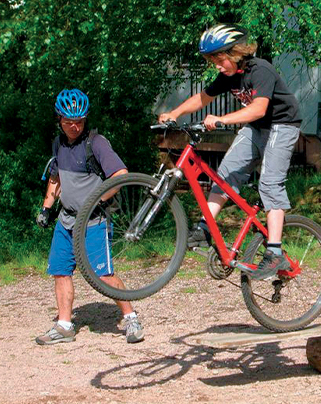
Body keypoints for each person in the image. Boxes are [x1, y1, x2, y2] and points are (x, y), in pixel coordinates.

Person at [158, 24, 302, 281]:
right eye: (212, 59)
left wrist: (223, 119)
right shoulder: (228, 75)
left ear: (236, 53)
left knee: (269, 183)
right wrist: (174, 113)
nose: (216, 65)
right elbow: (203, 98)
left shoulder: (261, 70)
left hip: (282, 125)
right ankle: (205, 227)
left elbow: (258, 109)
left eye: (219, 58)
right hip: (258, 127)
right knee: (224, 176)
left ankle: (275, 250)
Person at [35, 88, 144, 345]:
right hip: (66, 220)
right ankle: (64, 325)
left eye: (80, 121)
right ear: (59, 119)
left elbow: (120, 176)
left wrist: (97, 200)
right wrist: (46, 208)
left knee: (102, 274)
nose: (74, 126)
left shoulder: (96, 143)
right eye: (68, 121)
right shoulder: (58, 144)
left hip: (93, 220)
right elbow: (55, 178)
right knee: (60, 271)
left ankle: (130, 318)